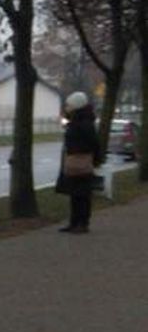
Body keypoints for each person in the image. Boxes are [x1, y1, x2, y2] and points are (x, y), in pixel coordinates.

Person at [56, 91, 102, 234]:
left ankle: (82, 223)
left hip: (81, 159)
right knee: (75, 194)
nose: (66, 107)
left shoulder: (84, 123)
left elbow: (93, 142)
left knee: (82, 194)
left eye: (69, 105)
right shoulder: (76, 121)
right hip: (74, 159)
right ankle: (74, 222)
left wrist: (94, 159)